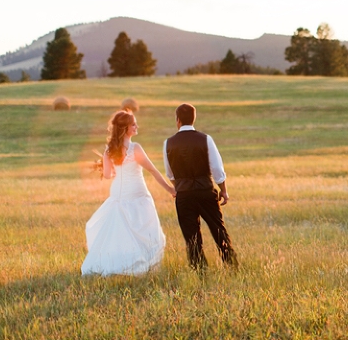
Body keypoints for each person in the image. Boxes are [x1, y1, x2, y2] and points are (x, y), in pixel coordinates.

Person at [81, 111, 176, 276]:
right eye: (133, 124)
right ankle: (140, 263)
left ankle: (118, 262)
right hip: (137, 193)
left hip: (118, 193)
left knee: (120, 230)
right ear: (126, 128)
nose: (136, 127)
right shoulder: (135, 148)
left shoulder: (109, 150)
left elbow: (108, 175)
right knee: (142, 227)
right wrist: (169, 189)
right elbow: (152, 170)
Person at [164, 103, 236, 269]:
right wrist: (223, 190)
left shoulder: (168, 143)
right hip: (205, 191)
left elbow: (170, 174)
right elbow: (217, 168)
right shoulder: (205, 139)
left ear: (177, 120)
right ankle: (231, 265)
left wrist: (180, 186)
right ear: (193, 118)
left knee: (191, 236)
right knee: (218, 230)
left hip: (184, 195)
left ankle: (200, 270)